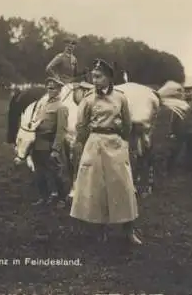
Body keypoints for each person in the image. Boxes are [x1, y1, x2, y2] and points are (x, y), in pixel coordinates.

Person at [70, 58, 141, 245]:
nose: (94, 80)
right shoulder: (87, 99)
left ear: (109, 77)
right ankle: (100, 232)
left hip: (115, 145)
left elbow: (127, 124)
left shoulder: (120, 97)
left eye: (99, 76)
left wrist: (120, 141)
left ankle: (129, 231)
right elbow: (81, 125)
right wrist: (84, 144)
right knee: (96, 189)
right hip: (94, 145)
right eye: (93, 76)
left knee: (123, 187)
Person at [32, 77, 69, 209]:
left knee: (56, 173)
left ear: (59, 90)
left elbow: (61, 130)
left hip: (50, 144)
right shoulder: (43, 104)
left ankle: (62, 198)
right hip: (38, 143)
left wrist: (56, 149)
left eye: (52, 88)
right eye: (48, 87)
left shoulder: (61, 107)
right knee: (39, 172)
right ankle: (44, 196)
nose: (49, 90)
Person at [166, 85, 192, 172]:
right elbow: (173, 118)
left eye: (190, 91)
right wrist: (171, 132)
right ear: (183, 93)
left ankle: (189, 168)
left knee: (190, 150)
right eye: (186, 92)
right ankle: (170, 167)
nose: (188, 94)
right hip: (180, 131)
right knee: (175, 149)